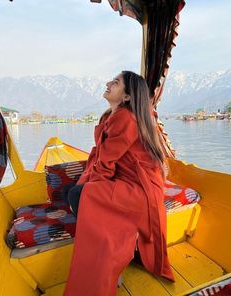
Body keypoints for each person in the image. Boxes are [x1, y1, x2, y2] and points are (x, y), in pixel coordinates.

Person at [64, 71, 174, 296]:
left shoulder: (125, 118)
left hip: (141, 191)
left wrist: (88, 191)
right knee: (73, 192)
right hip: (128, 183)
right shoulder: (110, 116)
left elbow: (105, 164)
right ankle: (113, 239)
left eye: (115, 83)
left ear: (126, 97)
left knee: (80, 196)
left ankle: (111, 262)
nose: (108, 83)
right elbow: (103, 159)